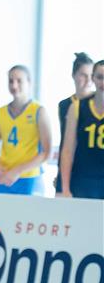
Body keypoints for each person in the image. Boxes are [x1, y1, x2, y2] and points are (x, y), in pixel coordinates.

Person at [0, 65, 51, 195]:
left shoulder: (39, 111)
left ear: (29, 82)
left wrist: (18, 171)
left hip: (29, 179)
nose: (14, 85)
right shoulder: (0, 113)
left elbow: (46, 153)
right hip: (4, 178)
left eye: (19, 81)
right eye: (11, 81)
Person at [59, 59, 104, 200]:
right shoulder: (77, 107)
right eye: (100, 77)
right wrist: (65, 188)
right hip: (82, 182)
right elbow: (67, 151)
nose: (103, 82)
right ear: (93, 78)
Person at [57, 52, 93, 194]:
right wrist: (61, 175)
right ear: (74, 75)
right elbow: (65, 143)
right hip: (68, 168)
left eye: (91, 75)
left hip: (89, 172)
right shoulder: (64, 105)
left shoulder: (97, 105)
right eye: (83, 75)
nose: (88, 80)